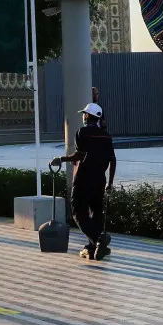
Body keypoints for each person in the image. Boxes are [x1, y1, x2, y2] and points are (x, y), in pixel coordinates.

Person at [51, 103, 117, 260]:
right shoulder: (106, 136)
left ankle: (98, 239)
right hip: (100, 181)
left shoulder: (82, 132)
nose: (82, 115)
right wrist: (110, 183)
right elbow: (113, 160)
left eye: (84, 114)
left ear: (87, 117)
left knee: (78, 213)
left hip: (83, 180)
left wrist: (61, 159)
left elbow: (80, 156)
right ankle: (93, 248)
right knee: (96, 214)